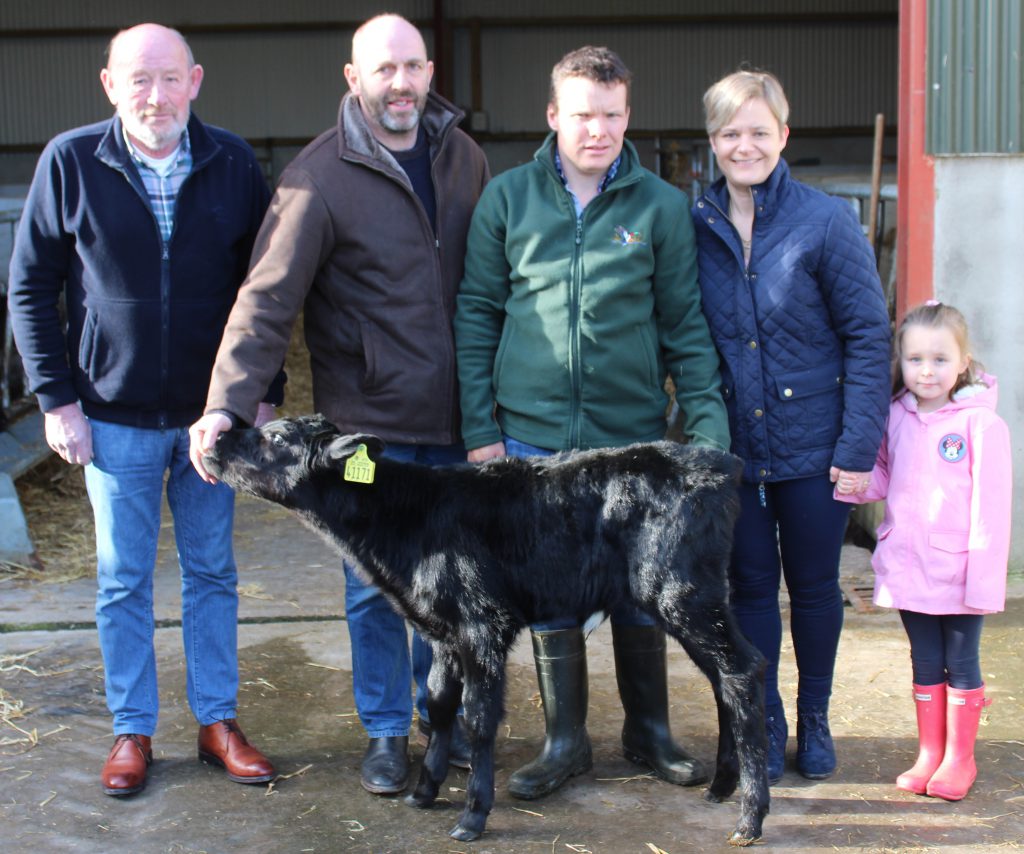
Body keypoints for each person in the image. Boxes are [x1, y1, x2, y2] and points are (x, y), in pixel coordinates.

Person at [188, 14, 489, 796]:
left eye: (413, 66)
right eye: (384, 69)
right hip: (368, 432)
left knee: (453, 585)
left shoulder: (464, 157)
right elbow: (266, 301)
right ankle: (386, 732)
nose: (402, 83)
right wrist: (228, 402)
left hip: (456, 418)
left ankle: (442, 724)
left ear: (429, 72)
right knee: (373, 588)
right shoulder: (316, 177)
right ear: (353, 78)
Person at [7, 23, 279, 796]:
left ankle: (216, 722)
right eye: (138, 80)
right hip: (112, 414)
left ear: (195, 80)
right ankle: (133, 730)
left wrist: (258, 392)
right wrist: (58, 402)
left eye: (168, 80)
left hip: (209, 421)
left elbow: (264, 289)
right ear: (109, 85)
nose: (154, 96)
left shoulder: (231, 162)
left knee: (212, 573)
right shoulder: (71, 160)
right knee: (123, 578)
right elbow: (31, 288)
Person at [454, 45, 731, 801]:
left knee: (642, 590)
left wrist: (707, 439)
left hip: (630, 440)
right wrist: (483, 428)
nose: (597, 129)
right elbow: (476, 315)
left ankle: (649, 734)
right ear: (554, 116)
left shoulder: (661, 208)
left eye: (611, 115)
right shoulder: (507, 199)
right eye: (582, 114)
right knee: (551, 595)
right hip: (531, 440)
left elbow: (686, 329)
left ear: (627, 116)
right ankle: (565, 742)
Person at [691, 69, 892, 784]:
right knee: (749, 590)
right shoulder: (698, 226)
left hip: (817, 448)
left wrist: (857, 446)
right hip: (737, 454)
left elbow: (869, 336)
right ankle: (766, 723)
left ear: (784, 134)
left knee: (813, 588)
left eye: (758, 131)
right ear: (712, 141)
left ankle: (815, 716)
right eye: (729, 133)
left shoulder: (825, 220)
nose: (744, 145)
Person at [836, 301, 1011, 801]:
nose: (927, 370)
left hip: (959, 571)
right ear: (901, 362)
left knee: (962, 661)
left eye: (939, 359)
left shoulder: (980, 425)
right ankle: (930, 754)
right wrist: (855, 482)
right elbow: (885, 475)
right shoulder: (895, 416)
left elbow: (991, 509)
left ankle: (960, 759)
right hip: (909, 565)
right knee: (924, 660)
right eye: (915, 359)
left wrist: (984, 580)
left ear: (963, 362)